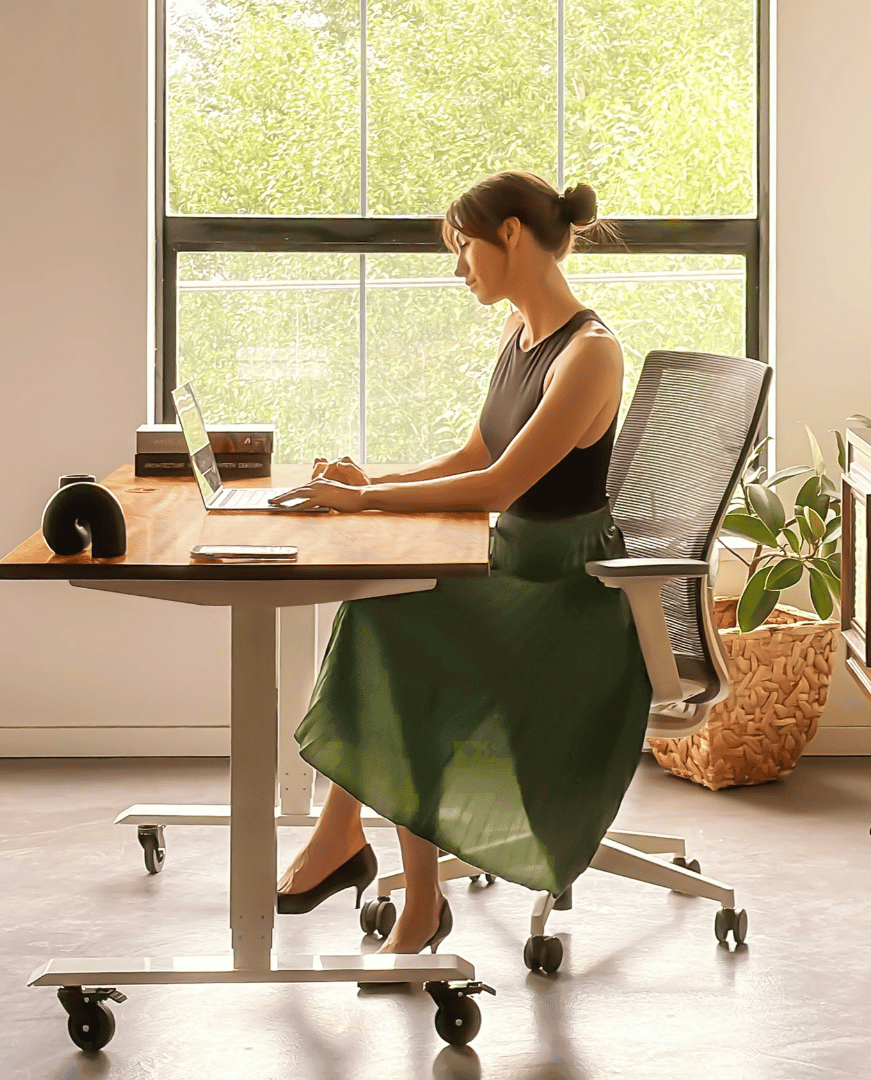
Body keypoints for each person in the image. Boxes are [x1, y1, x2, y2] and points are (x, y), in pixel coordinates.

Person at [270, 171, 653, 955]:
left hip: (565, 595)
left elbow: (500, 483)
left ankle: (379, 871)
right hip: (512, 565)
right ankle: (367, 858)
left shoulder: (590, 354)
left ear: (510, 234)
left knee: (396, 625)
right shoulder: (521, 335)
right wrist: (369, 479)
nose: (457, 269)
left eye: (463, 248)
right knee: (383, 604)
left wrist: (364, 506)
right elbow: (479, 450)